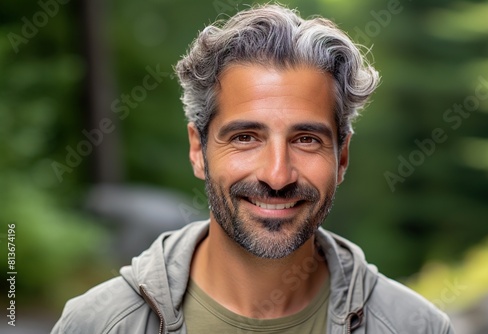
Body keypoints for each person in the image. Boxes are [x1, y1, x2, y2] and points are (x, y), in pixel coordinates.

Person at [51, 4, 455, 333]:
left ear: (342, 157)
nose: (277, 176)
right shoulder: (95, 324)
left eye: (306, 139)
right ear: (198, 150)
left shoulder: (417, 327)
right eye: (245, 137)